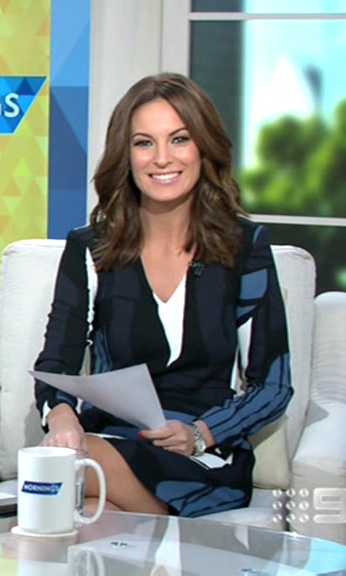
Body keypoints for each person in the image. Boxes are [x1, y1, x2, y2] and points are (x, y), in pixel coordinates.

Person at [33, 72, 293, 517]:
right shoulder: (91, 250)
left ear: (203, 148)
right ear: (126, 155)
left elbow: (274, 384)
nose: (162, 158)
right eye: (144, 143)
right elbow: (56, 364)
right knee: (91, 508)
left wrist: (202, 433)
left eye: (179, 139)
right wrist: (61, 416)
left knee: (75, 487)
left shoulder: (243, 247)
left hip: (202, 452)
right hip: (113, 439)